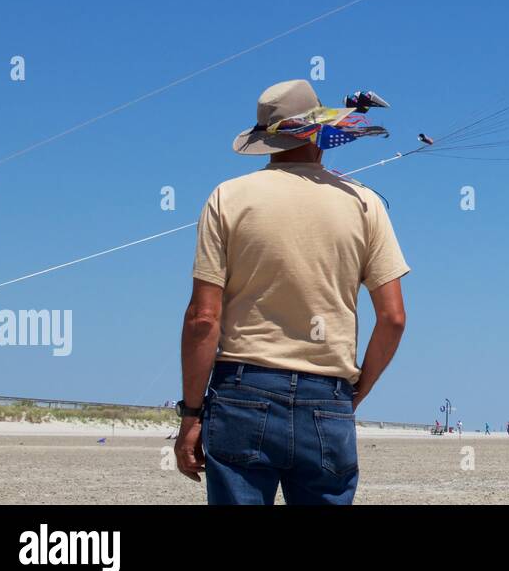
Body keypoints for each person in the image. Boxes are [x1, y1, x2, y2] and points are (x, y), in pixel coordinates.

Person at [174, 80, 409, 505]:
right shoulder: (365, 203)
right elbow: (393, 318)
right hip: (328, 395)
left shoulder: (228, 198)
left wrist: (191, 414)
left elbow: (203, 319)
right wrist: (356, 391)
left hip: (243, 392)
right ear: (319, 132)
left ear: (267, 139)